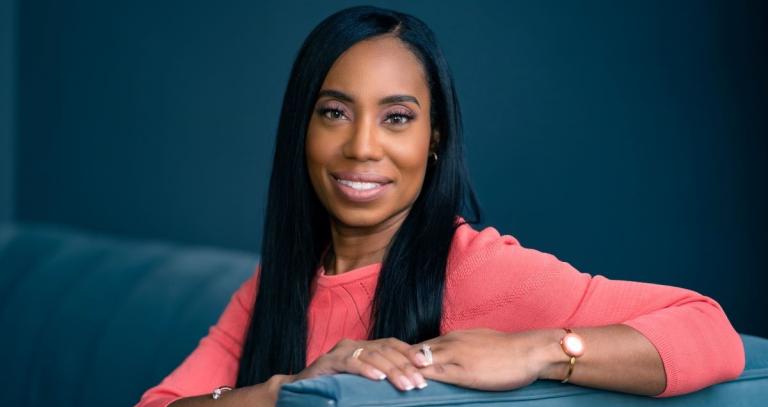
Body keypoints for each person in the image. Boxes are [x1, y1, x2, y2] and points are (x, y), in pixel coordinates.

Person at [136, 6, 744, 407]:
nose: (362, 146)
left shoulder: (475, 268)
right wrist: (288, 389)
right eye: (334, 112)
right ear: (302, 130)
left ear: (435, 141)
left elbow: (709, 328)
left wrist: (538, 350)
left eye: (397, 118)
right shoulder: (284, 279)